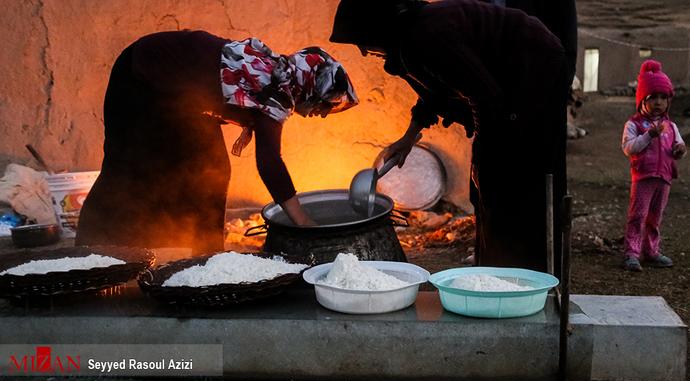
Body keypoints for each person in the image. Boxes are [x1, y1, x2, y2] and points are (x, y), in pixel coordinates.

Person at [330, 0, 569, 273]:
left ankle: (526, 269)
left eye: (362, 40)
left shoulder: (429, 35)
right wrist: (408, 138)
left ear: (378, 28)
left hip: (535, 67)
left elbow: (486, 96)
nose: (363, 51)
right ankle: (493, 262)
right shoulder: (409, 41)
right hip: (506, 82)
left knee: (515, 173)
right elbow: (434, 93)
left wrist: (482, 152)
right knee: (487, 182)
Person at [76, 30, 358, 255]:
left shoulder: (275, 79)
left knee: (210, 169)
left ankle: (205, 257)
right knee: (129, 168)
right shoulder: (275, 89)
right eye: (326, 104)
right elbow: (270, 163)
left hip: (181, 98)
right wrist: (304, 223)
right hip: (139, 76)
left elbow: (218, 90)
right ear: (310, 85)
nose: (322, 114)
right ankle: (90, 250)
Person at [621, 60, 686, 271]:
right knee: (638, 215)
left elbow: (678, 145)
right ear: (642, 100)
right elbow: (629, 148)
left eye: (663, 97)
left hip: (664, 178)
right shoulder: (634, 124)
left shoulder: (671, 125)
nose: (658, 102)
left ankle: (651, 251)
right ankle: (632, 253)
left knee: (655, 217)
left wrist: (680, 150)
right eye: (653, 97)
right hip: (643, 177)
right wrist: (649, 135)